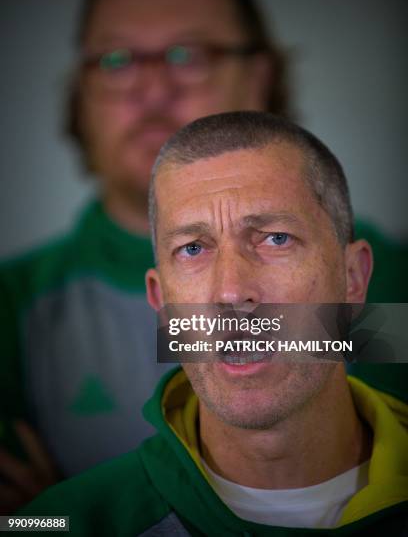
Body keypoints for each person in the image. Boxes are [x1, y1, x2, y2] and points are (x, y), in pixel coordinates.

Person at [0, 0, 406, 512]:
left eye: (188, 55)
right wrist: (65, 519)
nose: (152, 89)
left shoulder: (388, 280)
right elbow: (28, 525)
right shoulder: (13, 305)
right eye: (116, 60)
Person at [21, 112, 408, 534]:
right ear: (161, 302)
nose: (231, 291)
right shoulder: (59, 521)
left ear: (353, 278)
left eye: (275, 238)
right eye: (192, 248)